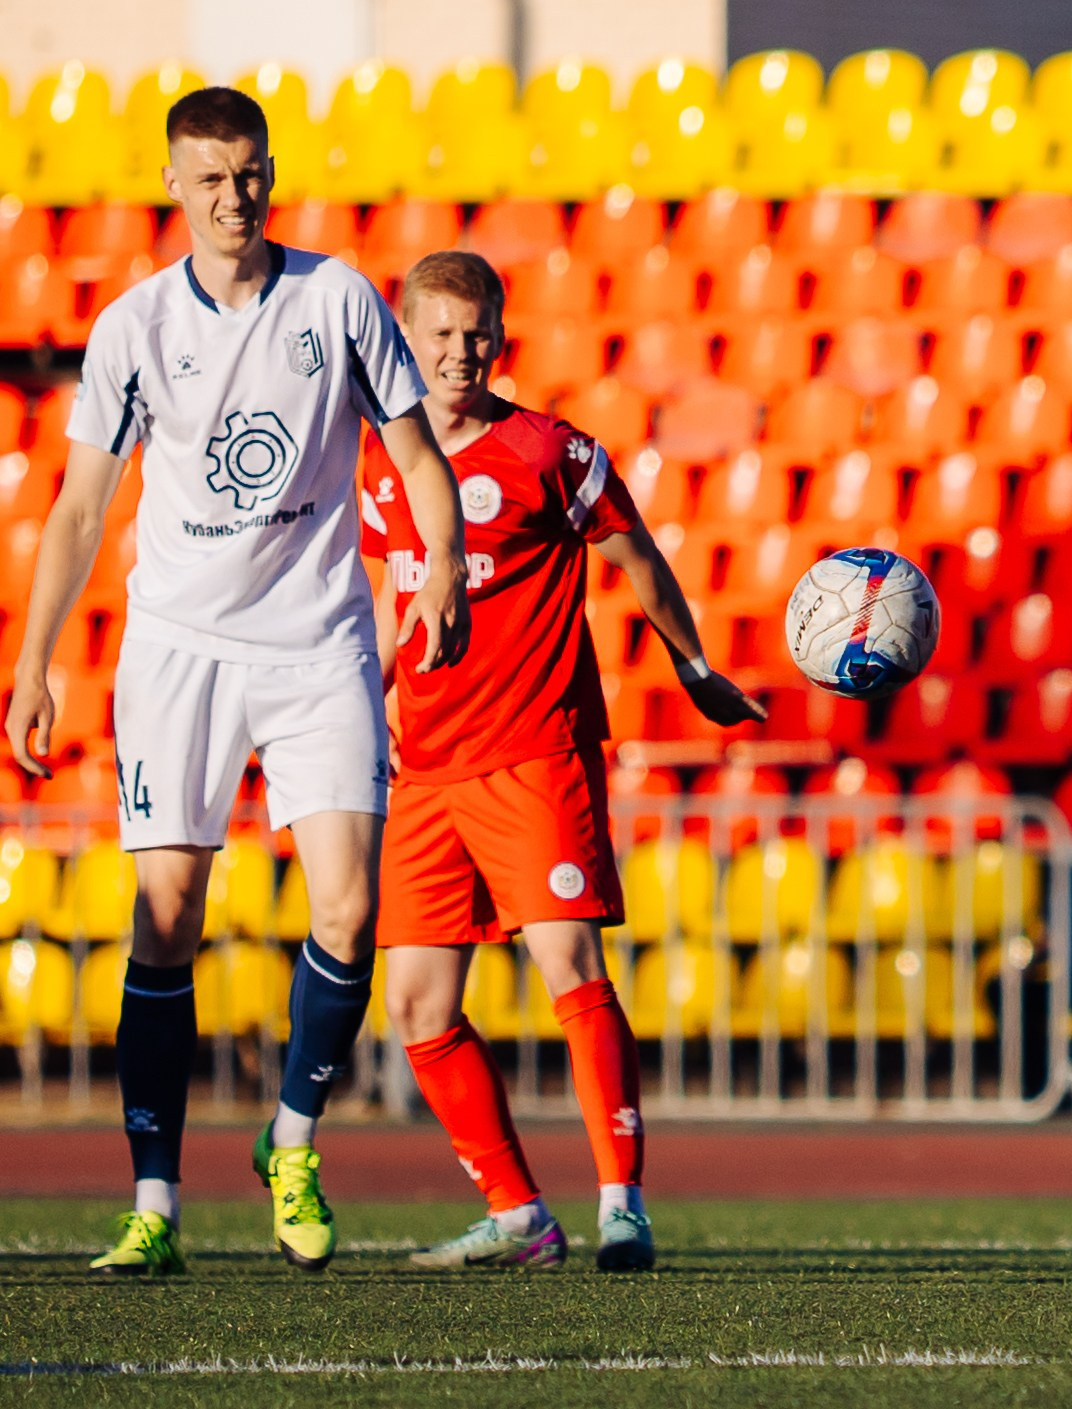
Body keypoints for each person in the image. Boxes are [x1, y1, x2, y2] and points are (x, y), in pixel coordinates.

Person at [4, 89, 469, 1275]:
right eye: (209, 177)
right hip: (177, 652)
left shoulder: (339, 298)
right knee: (164, 920)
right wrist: (35, 660)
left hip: (318, 642)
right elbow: (77, 509)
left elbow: (417, 455)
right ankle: (155, 1200)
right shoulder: (133, 327)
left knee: (350, 907)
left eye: (250, 173)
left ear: (273, 174)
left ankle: (293, 1140)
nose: (233, 195)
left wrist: (443, 564)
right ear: (173, 184)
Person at [361, 251, 763, 1271]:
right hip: (421, 768)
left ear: (500, 333)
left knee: (568, 967)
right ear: (406, 338)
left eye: (476, 330)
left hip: (534, 751)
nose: (460, 351)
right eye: (440, 333)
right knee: (414, 1003)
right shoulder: (373, 463)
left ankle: (620, 1201)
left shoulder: (548, 450)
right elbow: (376, 598)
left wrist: (694, 662)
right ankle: (516, 1214)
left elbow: (633, 554)